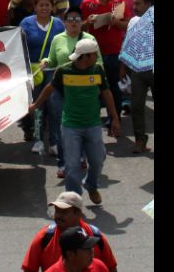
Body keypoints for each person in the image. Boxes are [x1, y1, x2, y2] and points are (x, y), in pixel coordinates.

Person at [29, 38, 120, 204]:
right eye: (94, 55)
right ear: (85, 56)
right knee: (72, 166)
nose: (97, 57)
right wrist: (36, 105)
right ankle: (73, 201)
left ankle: (91, 185)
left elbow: (107, 93)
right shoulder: (64, 71)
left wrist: (114, 118)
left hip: (93, 124)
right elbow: (50, 88)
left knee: (97, 160)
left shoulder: (98, 69)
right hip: (71, 125)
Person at [40, 6, 103, 176]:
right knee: (63, 126)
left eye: (77, 19)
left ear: (82, 22)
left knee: (82, 125)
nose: (74, 22)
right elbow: (52, 60)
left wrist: (98, 88)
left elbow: (99, 64)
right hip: (61, 89)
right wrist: (45, 61)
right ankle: (63, 164)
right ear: (65, 22)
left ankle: (81, 157)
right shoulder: (57, 39)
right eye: (70, 19)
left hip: (84, 91)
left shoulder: (89, 39)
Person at [81, 0, 132, 123]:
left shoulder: (120, 2)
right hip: (93, 52)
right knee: (93, 87)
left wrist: (116, 22)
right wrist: (88, 22)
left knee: (113, 87)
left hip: (114, 51)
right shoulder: (87, 3)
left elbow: (127, 25)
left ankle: (114, 118)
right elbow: (80, 27)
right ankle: (92, 118)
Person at [20, 0, 66, 153]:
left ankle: (54, 142)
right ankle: (38, 140)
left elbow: (63, 46)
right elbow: (18, 45)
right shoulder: (25, 23)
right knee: (37, 107)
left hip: (53, 71)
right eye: (41, 5)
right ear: (35, 7)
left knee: (55, 107)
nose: (44, 8)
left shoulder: (59, 24)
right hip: (34, 73)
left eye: (47, 5)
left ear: (52, 7)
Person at [120, 0, 154, 154]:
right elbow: (127, 43)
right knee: (137, 106)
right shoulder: (133, 21)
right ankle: (140, 140)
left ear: (148, 4)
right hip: (137, 71)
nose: (134, 7)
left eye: (138, 3)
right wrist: (123, 67)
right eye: (134, 4)